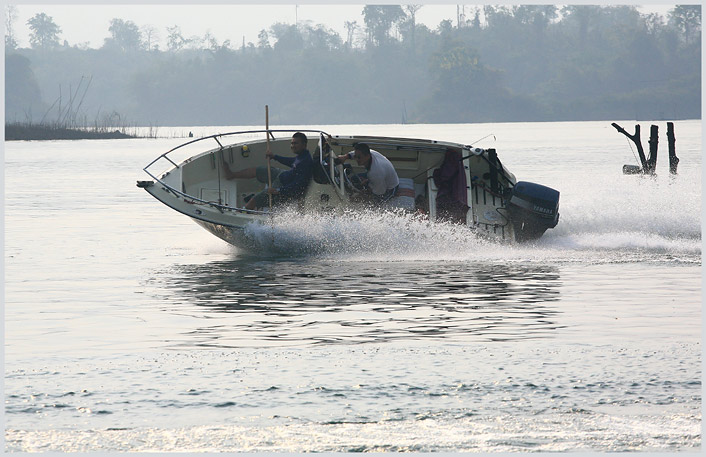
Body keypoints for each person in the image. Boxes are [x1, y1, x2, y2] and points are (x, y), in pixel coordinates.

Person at [222, 132, 313, 210]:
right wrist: (274, 157)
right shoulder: (303, 156)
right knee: (258, 170)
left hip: (282, 187)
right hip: (282, 175)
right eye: (292, 143)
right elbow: (293, 162)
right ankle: (232, 175)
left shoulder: (306, 162)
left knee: (255, 200)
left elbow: (299, 185)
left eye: (296, 143)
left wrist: (278, 190)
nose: (292, 146)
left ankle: (241, 214)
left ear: (304, 144)